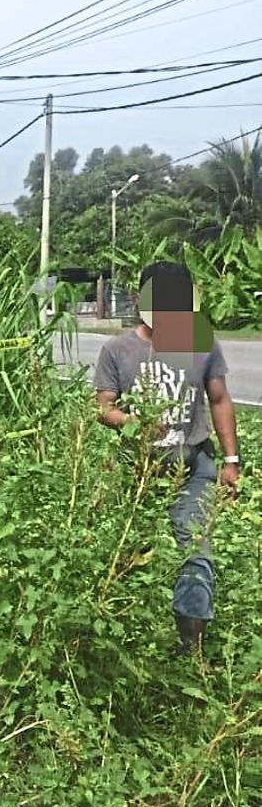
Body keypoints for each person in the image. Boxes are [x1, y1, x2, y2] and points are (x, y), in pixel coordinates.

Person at [94, 261, 239, 654]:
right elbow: (103, 407)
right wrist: (133, 422)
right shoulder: (118, 349)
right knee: (129, 550)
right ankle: (118, 638)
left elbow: (220, 400)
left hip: (193, 465)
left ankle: (189, 644)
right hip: (137, 470)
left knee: (195, 549)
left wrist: (231, 461)